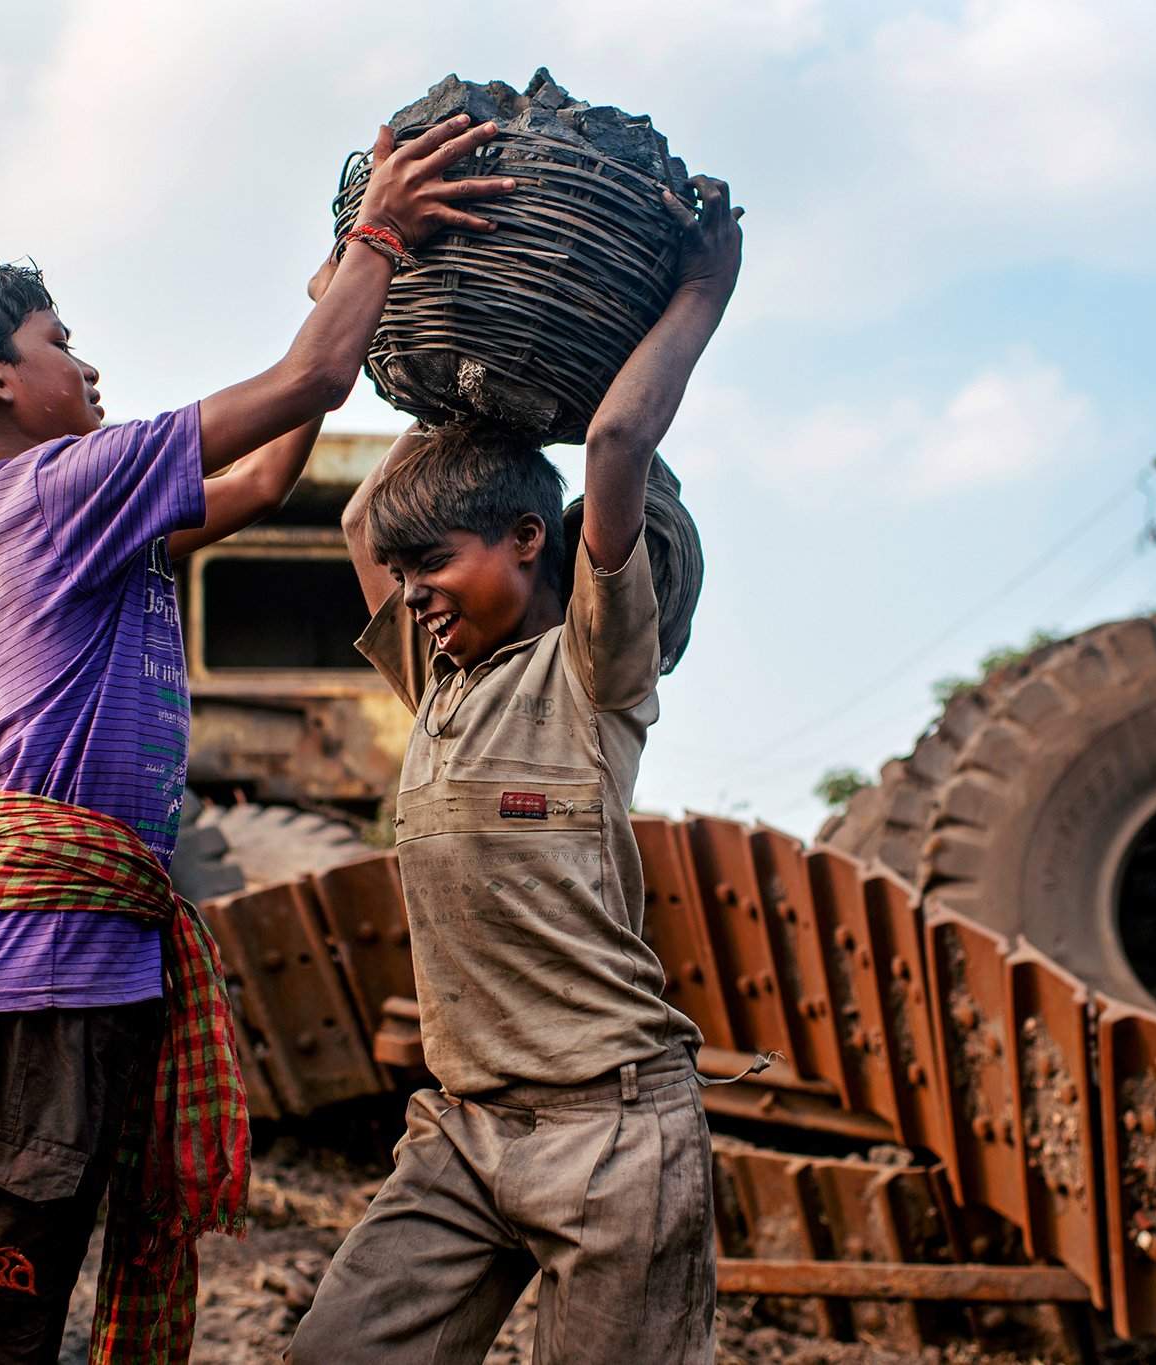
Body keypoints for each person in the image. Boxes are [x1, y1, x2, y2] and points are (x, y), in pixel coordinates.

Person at [0, 115, 515, 1365]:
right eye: (61, 342)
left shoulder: (77, 515)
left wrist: (337, 293)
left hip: (78, 973)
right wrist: (376, 238)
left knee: (18, 1291)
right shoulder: (53, 487)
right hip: (30, 977)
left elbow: (257, 484)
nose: (86, 366)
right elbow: (302, 383)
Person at [288, 174, 745, 1365]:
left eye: (433, 565)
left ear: (529, 541)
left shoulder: (594, 672)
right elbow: (359, 527)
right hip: (458, 1133)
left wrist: (701, 285)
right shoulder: (433, 685)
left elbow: (613, 442)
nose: (414, 594)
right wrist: (385, 295)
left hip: (611, 1135)